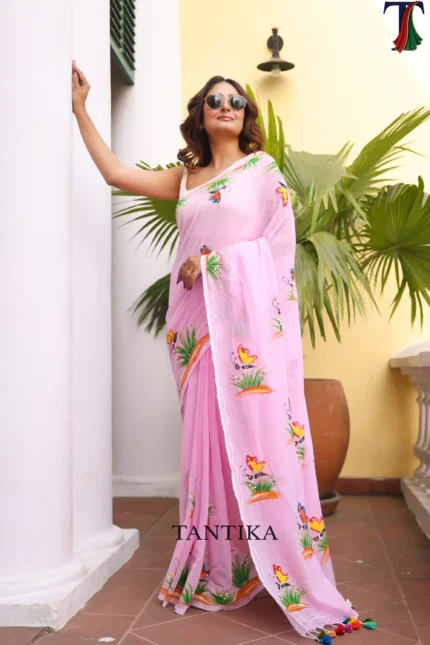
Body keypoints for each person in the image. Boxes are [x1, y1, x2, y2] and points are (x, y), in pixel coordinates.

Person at [72, 63, 367, 641]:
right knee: (206, 447)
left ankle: (271, 563)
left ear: (245, 115)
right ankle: (217, 567)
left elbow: (276, 252)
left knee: (254, 443)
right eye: (215, 101)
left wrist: (213, 263)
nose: (226, 106)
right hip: (195, 332)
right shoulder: (186, 177)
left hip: (242, 333)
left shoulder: (262, 172)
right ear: (201, 117)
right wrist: (81, 109)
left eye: (235, 100)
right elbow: (114, 173)